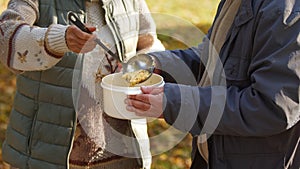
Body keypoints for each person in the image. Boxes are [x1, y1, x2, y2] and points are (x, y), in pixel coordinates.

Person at [125, 0, 300, 168]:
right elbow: (212, 58)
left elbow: (271, 107)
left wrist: (173, 102)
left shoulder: (284, 10)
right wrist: (158, 65)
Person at [0, 0, 164, 169]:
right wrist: (58, 40)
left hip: (123, 155)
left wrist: (142, 64)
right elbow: (5, 38)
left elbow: (149, 43)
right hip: (47, 154)